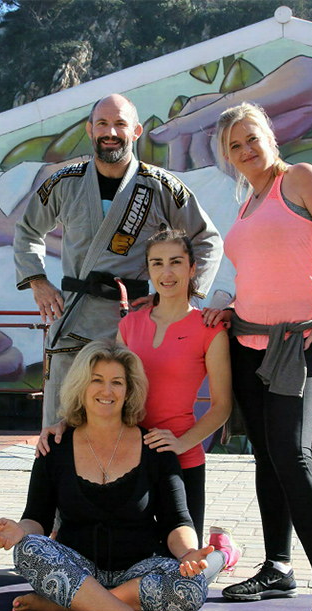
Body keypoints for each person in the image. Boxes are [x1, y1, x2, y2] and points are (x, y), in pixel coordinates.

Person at [202, 102, 312, 611]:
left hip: (300, 342)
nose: (246, 150)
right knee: (267, 457)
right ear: (228, 158)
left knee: (292, 455)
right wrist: (229, 305)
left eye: (251, 138)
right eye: (234, 146)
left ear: (269, 135)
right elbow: (263, 271)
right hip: (246, 341)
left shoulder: (300, 179)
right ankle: (278, 568)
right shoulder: (247, 202)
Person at [0, 341, 240, 611]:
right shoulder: (54, 448)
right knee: (29, 548)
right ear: (82, 386)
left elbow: (177, 522)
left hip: (139, 571)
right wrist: (18, 531)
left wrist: (187, 553)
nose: (107, 391)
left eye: (116, 383)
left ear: (129, 390)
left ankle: (68, 609)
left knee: (191, 584)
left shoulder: (156, 448)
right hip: (77, 571)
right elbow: (37, 520)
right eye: (97, 381)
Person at [13, 93, 223, 429]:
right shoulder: (64, 182)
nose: (111, 131)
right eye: (103, 124)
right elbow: (26, 230)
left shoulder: (159, 186)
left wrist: (178, 298)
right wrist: (38, 281)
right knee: (63, 422)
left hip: (138, 324)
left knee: (135, 419)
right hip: (76, 319)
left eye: (120, 124)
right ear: (90, 129)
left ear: (136, 131)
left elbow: (207, 239)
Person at [116, 227, 232, 548]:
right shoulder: (129, 325)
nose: (166, 272)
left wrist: (181, 443)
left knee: (183, 569)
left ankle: (223, 552)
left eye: (176, 262)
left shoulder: (210, 329)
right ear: (149, 270)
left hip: (182, 463)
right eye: (157, 263)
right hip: (129, 460)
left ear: (193, 268)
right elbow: (109, 393)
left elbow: (222, 406)